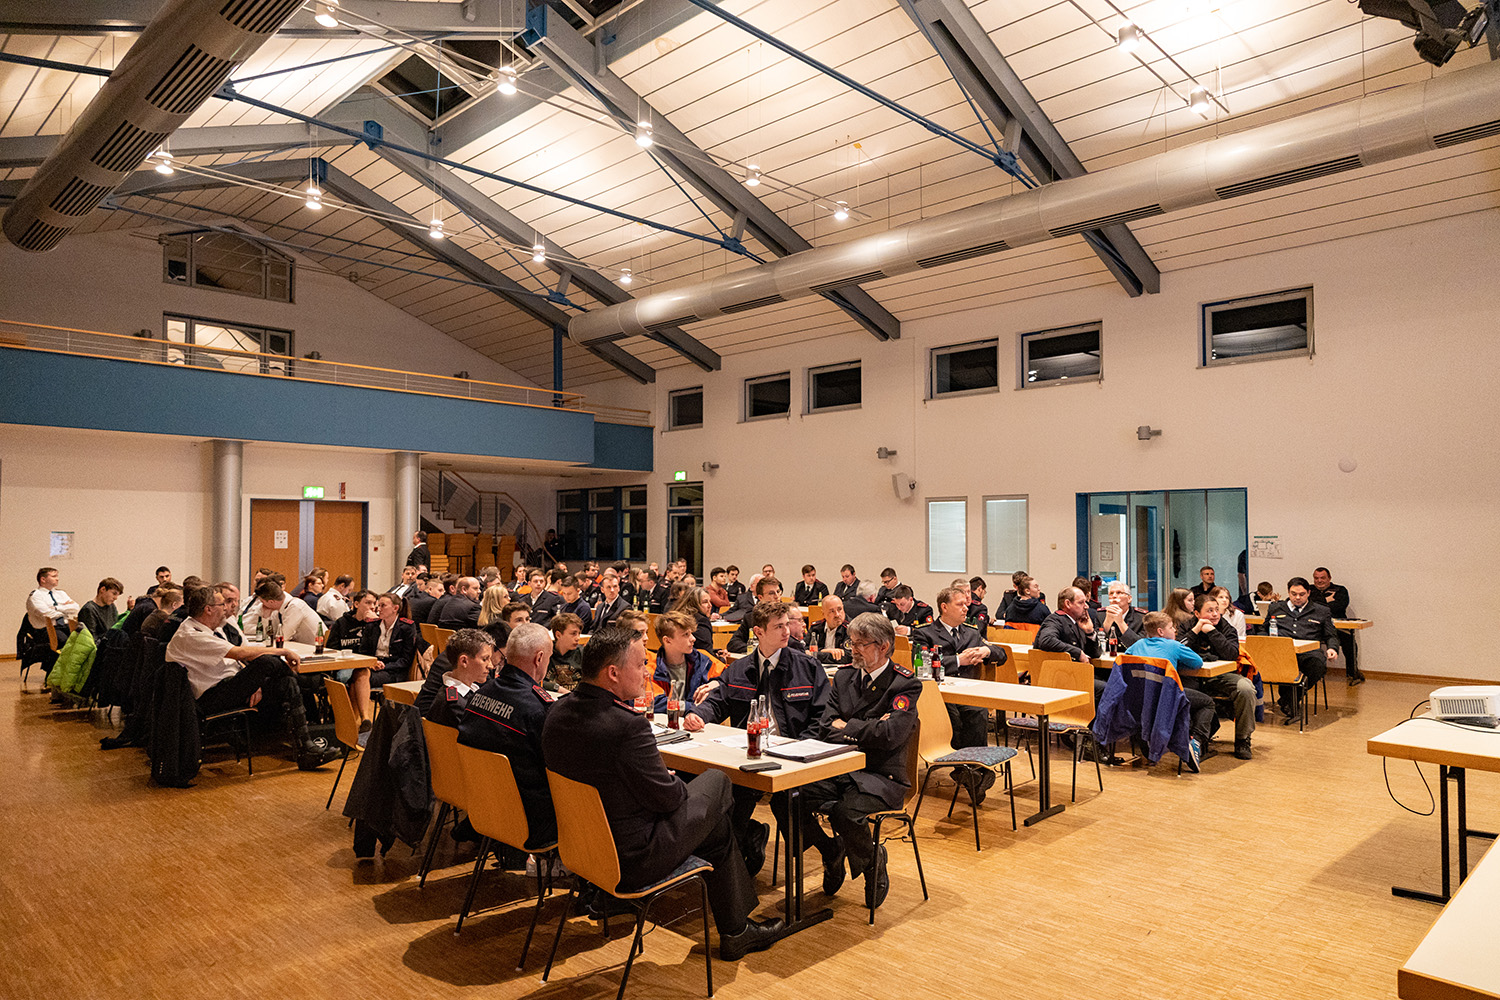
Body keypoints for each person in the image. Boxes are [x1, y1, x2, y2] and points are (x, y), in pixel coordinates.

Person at [540, 624, 784, 961]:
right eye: (641, 664)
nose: (646, 673)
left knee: (715, 828)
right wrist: (670, 781)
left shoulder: (556, 711)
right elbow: (669, 799)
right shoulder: (627, 726)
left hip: (582, 848)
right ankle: (737, 926)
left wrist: (654, 781)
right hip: (633, 858)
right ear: (613, 673)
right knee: (717, 780)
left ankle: (737, 927)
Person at [687, 600, 829, 877]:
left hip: (795, 758)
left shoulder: (807, 666)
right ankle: (743, 853)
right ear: (759, 632)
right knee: (729, 801)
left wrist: (798, 748)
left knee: (787, 801)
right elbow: (717, 701)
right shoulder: (739, 668)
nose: (786, 631)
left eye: (787, 624)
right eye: (778, 627)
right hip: (748, 757)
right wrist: (698, 716)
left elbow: (822, 717)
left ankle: (830, 850)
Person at [800, 612, 921, 910]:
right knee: (790, 797)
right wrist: (869, 728)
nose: (852, 649)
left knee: (845, 813)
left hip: (880, 777)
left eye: (860, 644)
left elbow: (890, 736)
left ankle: (873, 861)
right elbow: (825, 727)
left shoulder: (904, 684)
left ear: (884, 646)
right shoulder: (844, 677)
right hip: (838, 769)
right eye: (851, 643)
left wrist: (848, 726)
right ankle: (830, 850)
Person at [165, 585, 340, 769]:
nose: (226, 608)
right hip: (210, 698)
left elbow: (238, 658)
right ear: (208, 609)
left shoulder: (214, 628)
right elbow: (240, 653)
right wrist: (283, 652)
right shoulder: (191, 634)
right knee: (267, 662)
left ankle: (306, 750)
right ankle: (309, 682)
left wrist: (254, 683)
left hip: (227, 685)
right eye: (222, 604)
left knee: (287, 682)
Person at [457, 622, 558, 854]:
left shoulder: (478, 695)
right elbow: (555, 769)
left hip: (483, 809)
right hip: (529, 822)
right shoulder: (537, 709)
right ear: (539, 658)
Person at [914, 588, 1009, 798]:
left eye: (966, 604)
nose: (966, 608)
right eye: (960, 604)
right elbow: (921, 666)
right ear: (944, 607)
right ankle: (973, 773)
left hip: (967, 695)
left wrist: (987, 651)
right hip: (938, 697)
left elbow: (1002, 655)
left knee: (978, 713)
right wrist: (958, 660)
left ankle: (971, 772)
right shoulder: (925, 633)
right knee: (953, 718)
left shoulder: (971, 633)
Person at [1120, 612, 1216, 772]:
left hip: (1141, 700)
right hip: (1167, 697)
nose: (1175, 631)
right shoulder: (1174, 646)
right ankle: (1195, 741)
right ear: (1161, 631)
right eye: (1171, 627)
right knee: (1207, 703)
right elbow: (1197, 663)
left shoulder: (1138, 645)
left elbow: (1127, 661)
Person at [1180, 594, 1257, 759]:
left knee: (1245, 688)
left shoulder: (1227, 628)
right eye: (1209, 611)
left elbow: (1231, 654)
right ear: (1197, 614)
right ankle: (1191, 738)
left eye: (1216, 610)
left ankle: (1243, 739)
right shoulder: (1186, 626)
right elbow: (1178, 648)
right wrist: (1196, 631)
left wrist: (1213, 632)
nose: (1215, 614)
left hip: (1220, 676)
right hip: (1191, 677)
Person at [1257, 577, 1340, 721]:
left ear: (1308, 593)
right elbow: (1263, 630)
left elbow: (1331, 635)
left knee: (1318, 665)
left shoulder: (1321, 611)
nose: (1297, 598)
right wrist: (1265, 643)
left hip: (1309, 653)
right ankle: (1290, 701)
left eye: (1301, 594)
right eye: (1293, 594)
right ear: (1288, 592)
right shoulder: (1275, 608)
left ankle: (1288, 699)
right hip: (1281, 652)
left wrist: (1332, 648)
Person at [422, 628, 495, 728]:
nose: (491, 666)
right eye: (485, 659)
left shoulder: (466, 691)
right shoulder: (454, 704)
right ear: (464, 661)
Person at [652, 611, 720, 714]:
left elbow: (729, 678)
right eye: (686, 635)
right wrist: (693, 707)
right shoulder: (651, 668)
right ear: (667, 640)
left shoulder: (704, 660)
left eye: (691, 633)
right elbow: (654, 702)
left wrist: (716, 683)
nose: (693, 638)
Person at [1310, 566, 1362, 684]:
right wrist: (1327, 601)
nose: (1319, 581)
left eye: (1322, 578)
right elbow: (1306, 606)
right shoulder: (1308, 589)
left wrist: (1317, 603)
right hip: (1315, 627)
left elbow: (1339, 606)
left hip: (1337, 628)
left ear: (1329, 578)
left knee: (1349, 641)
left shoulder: (1340, 590)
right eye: (1316, 578)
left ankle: (1353, 672)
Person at [25, 567, 81, 672]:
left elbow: (76, 608)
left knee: (83, 640)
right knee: (66, 642)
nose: (57, 579)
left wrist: (56, 607)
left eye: (57, 576)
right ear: (43, 579)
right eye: (54, 576)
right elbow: (47, 614)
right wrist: (65, 608)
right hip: (45, 630)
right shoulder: (35, 596)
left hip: (64, 626)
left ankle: (75, 672)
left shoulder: (61, 593)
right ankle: (60, 673)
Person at [245, 580, 321, 644]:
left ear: (271, 602)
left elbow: (283, 637)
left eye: (262, 602)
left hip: (316, 648)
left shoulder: (295, 606)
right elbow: (269, 634)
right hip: (302, 646)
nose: (262, 605)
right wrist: (265, 617)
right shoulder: (277, 610)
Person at [726, 576, 783, 653]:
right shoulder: (751, 617)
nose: (777, 596)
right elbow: (733, 644)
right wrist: (756, 650)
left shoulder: (787, 616)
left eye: (778, 592)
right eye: (771, 593)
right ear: (760, 597)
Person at [1092, 580, 1145, 649]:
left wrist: (1121, 623)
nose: (1114, 596)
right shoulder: (1100, 615)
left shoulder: (1141, 617)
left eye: (1119, 593)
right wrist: (1107, 622)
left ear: (1129, 598)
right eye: (1111, 593)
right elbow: (1095, 645)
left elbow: (1140, 647)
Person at [668, 586, 716, 652]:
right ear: (694, 603)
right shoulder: (701, 621)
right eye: (705, 602)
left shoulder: (676, 615)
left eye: (710, 601)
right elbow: (706, 652)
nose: (710, 605)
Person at [809, 595, 851, 665]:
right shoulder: (816, 628)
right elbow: (805, 651)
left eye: (839, 609)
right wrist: (826, 651)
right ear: (823, 614)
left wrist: (818, 653)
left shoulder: (851, 629)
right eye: (832, 611)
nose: (837, 614)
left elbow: (848, 657)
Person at [546, 612, 584, 691]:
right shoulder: (546, 653)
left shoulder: (582, 653)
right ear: (558, 635)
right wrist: (558, 689)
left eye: (579, 633)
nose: (578, 638)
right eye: (573, 633)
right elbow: (536, 682)